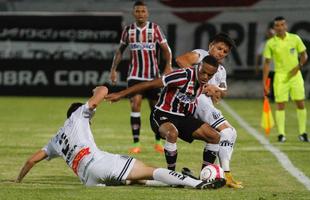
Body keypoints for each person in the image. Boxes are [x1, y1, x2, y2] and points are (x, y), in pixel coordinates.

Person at [15, 86, 225, 189]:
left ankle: (177, 182)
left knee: (134, 176)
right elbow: (99, 96)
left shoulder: (56, 138)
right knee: (151, 170)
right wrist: (98, 89)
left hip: (89, 180)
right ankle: (196, 183)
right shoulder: (79, 114)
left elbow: (31, 160)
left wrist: (17, 181)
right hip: (98, 163)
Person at [106, 55, 227, 176]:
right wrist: (120, 94)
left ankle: (204, 176)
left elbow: (217, 91)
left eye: (209, 75)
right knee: (172, 133)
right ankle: (172, 175)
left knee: (214, 137)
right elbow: (149, 85)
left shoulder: (205, 81)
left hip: (184, 117)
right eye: (203, 72)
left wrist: (216, 92)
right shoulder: (181, 75)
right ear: (198, 66)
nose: (205, 77)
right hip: (162, 114)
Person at [175, 33, 243, 189]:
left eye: (225, 52)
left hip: (205, 102)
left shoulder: (221, 70)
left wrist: (216, 89)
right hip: (196, 100)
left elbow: (223, 91)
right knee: (228, 132)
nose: (221, 53)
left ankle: (208, 176)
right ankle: (225, 176)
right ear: (211, 45)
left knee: (221, 135)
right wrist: (200, 83)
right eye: (219, 48)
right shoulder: (201, 55)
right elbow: (181, 60)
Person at [109, 0, 172, 154]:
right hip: (135, 75)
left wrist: (168, 65)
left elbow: (166, 49)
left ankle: (158, 141)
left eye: (143, 11)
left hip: (153, 76)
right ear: (133, 13)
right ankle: (136, 143)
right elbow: (120, 51)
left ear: (147, 13)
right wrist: (113, 69)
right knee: (135, 104)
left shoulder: (155, 29)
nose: (140, 14)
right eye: (137, 11)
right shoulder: (128, 30)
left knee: (155, 108)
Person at [263, 16, 308, 142]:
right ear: (274, 28)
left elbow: (304, 55)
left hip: (295, 75)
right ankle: (281, 134)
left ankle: (303, 133)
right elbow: (266, 63)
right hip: (280, 76)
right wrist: (265, 82)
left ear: (286, 26)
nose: (280, 27)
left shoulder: (295, 38)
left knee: (300, 103)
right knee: (280, 105)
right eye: (277, 25)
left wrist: (299, 66)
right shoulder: (271, 43)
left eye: (282, 24)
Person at [255, 26, 275, 101]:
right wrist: (256, 66)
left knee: (275, 84)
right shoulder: (264, 44)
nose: (270, 35)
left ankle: (273, 98)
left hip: (275, 67)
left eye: (272, 34)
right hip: (266, 67)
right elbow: (258, 56)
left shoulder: (277, 44)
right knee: (266, 83)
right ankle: (266, 97)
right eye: (269, 33)